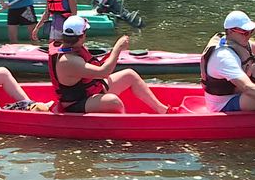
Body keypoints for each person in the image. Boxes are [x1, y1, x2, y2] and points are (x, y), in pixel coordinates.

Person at [48, 15, 177, 114]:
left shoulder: (74, 48)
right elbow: (103, 72)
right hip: (75, 104)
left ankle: (163, 111)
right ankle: (126, 127)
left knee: (129, 75)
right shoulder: (68, 61)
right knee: (113, 101)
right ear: (81, 36)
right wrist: (117, 49)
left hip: (87, 92)